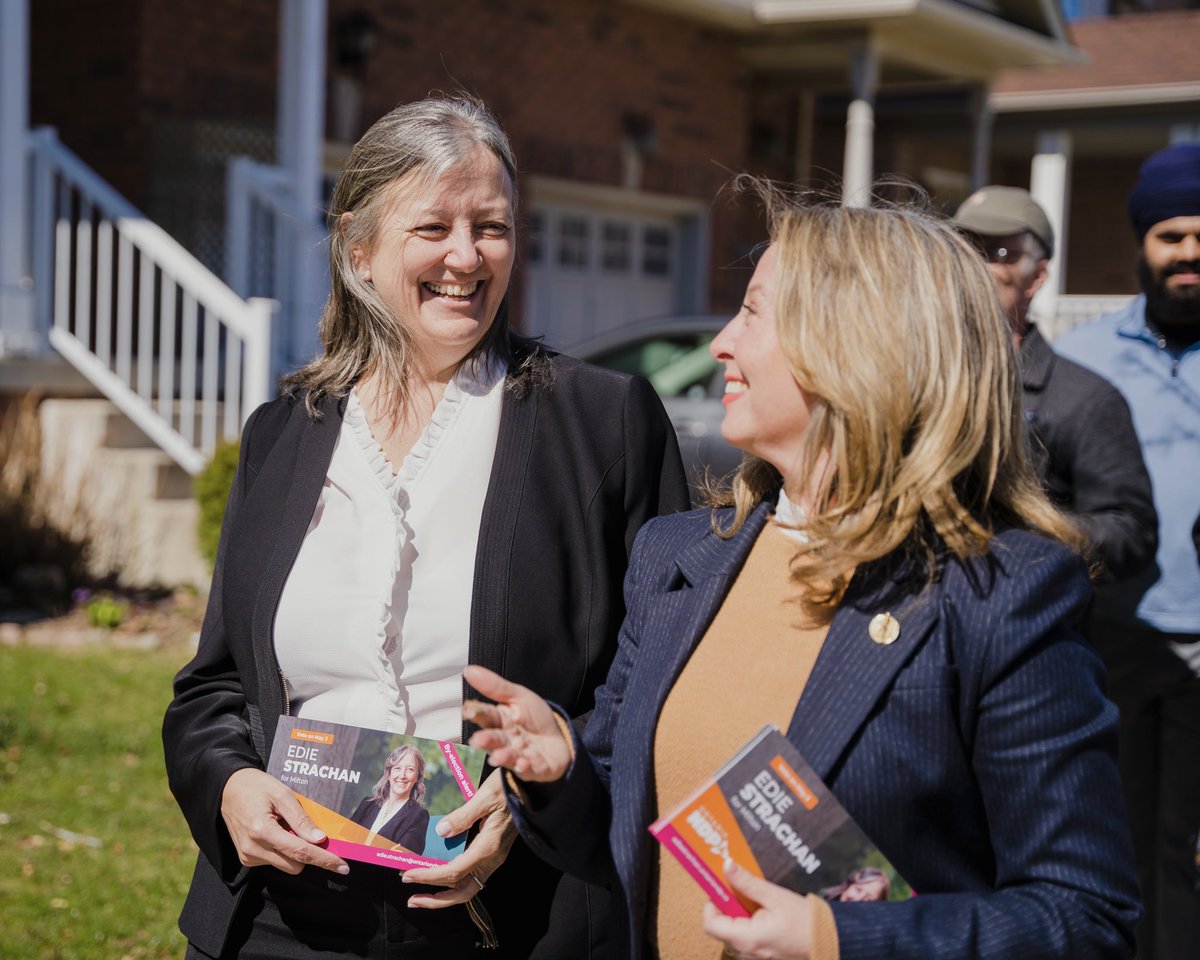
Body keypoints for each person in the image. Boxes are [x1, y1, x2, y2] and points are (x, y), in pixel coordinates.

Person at [463, 188, 1141, 960]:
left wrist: (838, 939)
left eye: (752, 312)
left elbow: (1086, 919)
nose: (720, 343)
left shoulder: (1002, 594)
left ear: (856, 345)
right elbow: (626, 843)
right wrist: (560, 771)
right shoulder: (676, 556)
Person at [162, 96, 689, 960]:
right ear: (358, 247)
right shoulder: (285, 433)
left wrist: (536, 800)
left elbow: (666, 675)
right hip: (281, 914)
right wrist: (228, 786)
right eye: (433, 227)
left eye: (491, 226)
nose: (465, 256)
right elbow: (214, 687)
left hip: (508, 916)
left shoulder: (603, 425)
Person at [1054, 141, 1200, 960]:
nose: (1189, 253)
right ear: (1142, 244)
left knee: (1188, 845)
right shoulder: (1088, 359)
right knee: (1124, 836)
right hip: (1117, 635)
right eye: (1171, 236)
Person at [953, 185, 1156, 583]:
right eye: (963, 248)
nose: (975, 266)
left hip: (1027, 621)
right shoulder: (918, 377)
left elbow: (1131, 533)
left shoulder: (1084, 397)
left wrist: (1027, 537)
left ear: (1037, 276)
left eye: (999, 254)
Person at [349, 745, 431, 855]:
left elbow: (403, 859)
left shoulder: (418, 816)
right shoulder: (367, 804)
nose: (402, 775)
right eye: (397, 768)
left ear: (417, 777)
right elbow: (343, 841)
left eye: (410, 769)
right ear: (389, 773)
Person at [819, 867, 889, 904]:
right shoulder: (818, 903)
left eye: (868, 900)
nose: (858, 899)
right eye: (858, 890)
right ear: (850, 884)